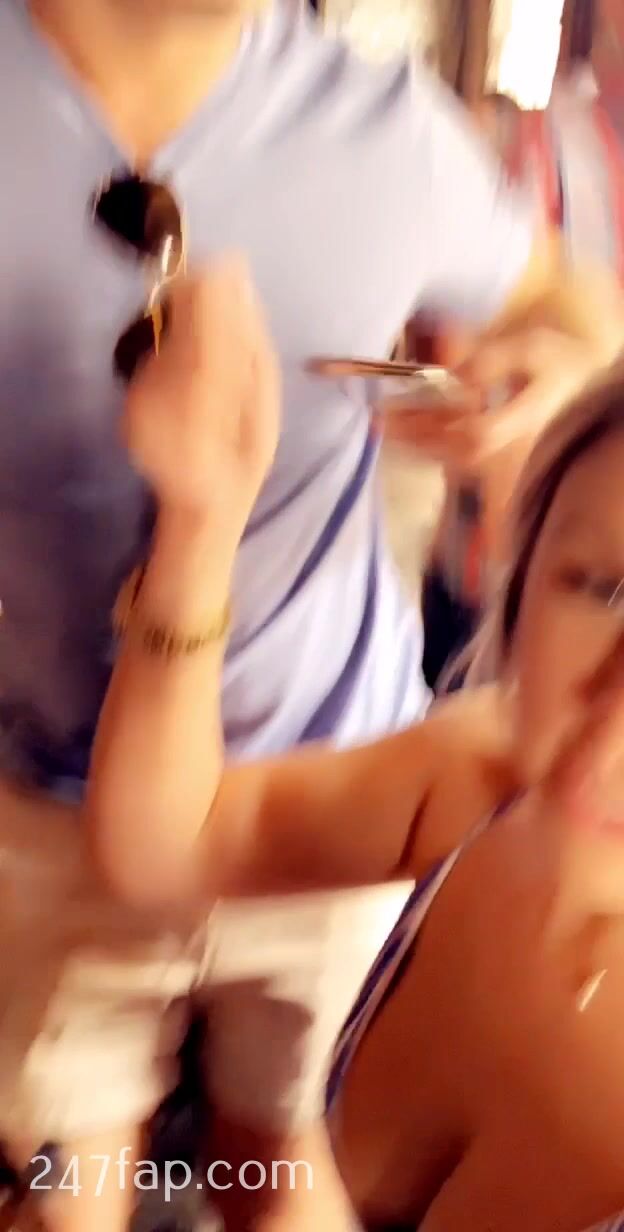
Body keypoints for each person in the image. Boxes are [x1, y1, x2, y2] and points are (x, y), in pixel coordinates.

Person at [2, 0, 624, 1226]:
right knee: (76, 1179)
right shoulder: (486, 775)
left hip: (342, 794)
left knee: (281, 1150)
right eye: (601, 586)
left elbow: (574, 309)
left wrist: (548, 374)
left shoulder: (392, 133)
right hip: (44, 806)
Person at [84, 300, 624, 1230]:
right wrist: (202, 521)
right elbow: (168, 844)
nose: (611, 739)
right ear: (526, 560)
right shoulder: (479, 780)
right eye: (606, 591)